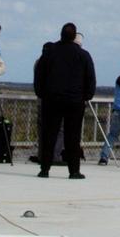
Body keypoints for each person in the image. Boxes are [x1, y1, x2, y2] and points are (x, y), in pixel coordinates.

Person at [33, 22, 96, 179]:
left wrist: (41, 93)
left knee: (49, 134)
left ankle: (45, 169)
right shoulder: (83, 55)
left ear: (60, 34)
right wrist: (87, 96)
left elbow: (39, 74)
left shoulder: (50, 52)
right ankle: (74, 171)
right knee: (72, 137)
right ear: (74, 36)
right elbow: (90, 78)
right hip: (75, 101)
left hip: (52, 99)